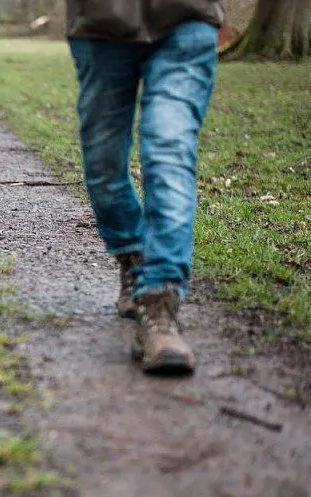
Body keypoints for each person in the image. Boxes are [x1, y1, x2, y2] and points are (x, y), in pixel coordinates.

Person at [65, 1, 225, 374]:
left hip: (188, 19)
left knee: (169, 149)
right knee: (103, 165)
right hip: (101, 24)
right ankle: (133, 257)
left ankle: (159, 301)